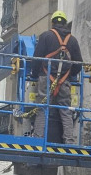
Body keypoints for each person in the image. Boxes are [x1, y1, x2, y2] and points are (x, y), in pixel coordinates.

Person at [32, 10, 83, 144]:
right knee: (65, 110)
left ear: (53, 22)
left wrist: (34, 75)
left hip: (46, 79)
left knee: (43, 108)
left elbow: (36, 58)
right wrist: (70, 75)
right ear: (65, 24)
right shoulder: (72, 40)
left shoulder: (46, 36)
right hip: (64, 81)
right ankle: (69, 140)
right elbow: (78, 64)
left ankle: (38, 139)